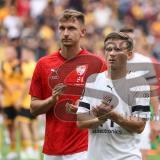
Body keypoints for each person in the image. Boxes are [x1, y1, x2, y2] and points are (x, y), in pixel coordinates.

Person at [29, 9, 106, 160]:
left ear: (83, 32)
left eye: (71, 28)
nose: (65, 33)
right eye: (62, 28)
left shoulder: (98, 64)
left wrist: (85, 108)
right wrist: (51, 100)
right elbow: (33, 108)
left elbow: (108, 104)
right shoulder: (43, 64)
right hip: (51, 149)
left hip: (84, 149)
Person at [74, 32, 150, 160]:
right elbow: (80, 122)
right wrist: (101, 119)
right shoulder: (93, 80)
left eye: (118, 49)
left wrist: (113, 115)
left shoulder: (139, 84)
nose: (112, 53)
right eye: (109, 49)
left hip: (127, 157)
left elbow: (140, 126)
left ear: (129, 54)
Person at [119, 28, 160, 158]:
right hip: (117, 118)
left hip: (140, 117)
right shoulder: (111, 62)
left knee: (142, 155)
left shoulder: (145, 62)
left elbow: (153, 93)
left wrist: (156, 121)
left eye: (132, 39)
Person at [0, 46, 23, 160]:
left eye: (10, 52)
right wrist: (7, 89)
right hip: (7, 101)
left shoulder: (20, 64)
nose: (8, 54)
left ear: (15, 53)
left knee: (22, 124)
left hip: (19, 100)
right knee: (9, 126)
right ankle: (13, 150)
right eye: (6, 52)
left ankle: (25, 149)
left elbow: (25, 81)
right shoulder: (3, 65)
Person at [16, 47, 39, 159]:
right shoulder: (34, 64)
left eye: (24, 53)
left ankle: (29, 150)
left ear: (30, 53)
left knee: (23, 124)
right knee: (33, 125)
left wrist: (20, 99)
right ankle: (35, 149)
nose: (22, 55)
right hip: (34, 100)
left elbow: (28, 84)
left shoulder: (28, 66)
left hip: (26, 101)